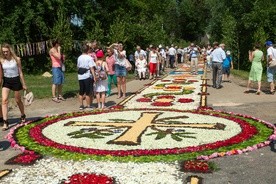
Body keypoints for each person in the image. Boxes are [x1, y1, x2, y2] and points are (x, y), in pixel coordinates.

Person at [0, 43, 27, 131]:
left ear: (10, 50)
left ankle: (23, 115)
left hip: (16, 80)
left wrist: (23, 84)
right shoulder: (1, 60)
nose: (5, 53)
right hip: (6, 81)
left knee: (18, 100)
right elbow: (1, 73)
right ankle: (5, 122)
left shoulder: (17, 59)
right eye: (3, 52)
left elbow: (20, 72)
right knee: (4, 100)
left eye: (6, 51)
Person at [77, 44, 96, 110]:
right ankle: (88, 105)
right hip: (87, 76)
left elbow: (78, 67)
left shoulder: (79, 57)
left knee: (81, 91)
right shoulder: (89, 58)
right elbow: (92, 68)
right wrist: (94, 76)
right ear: (88, 50)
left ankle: (81, 105)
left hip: (80, 76)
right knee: (88, 91)